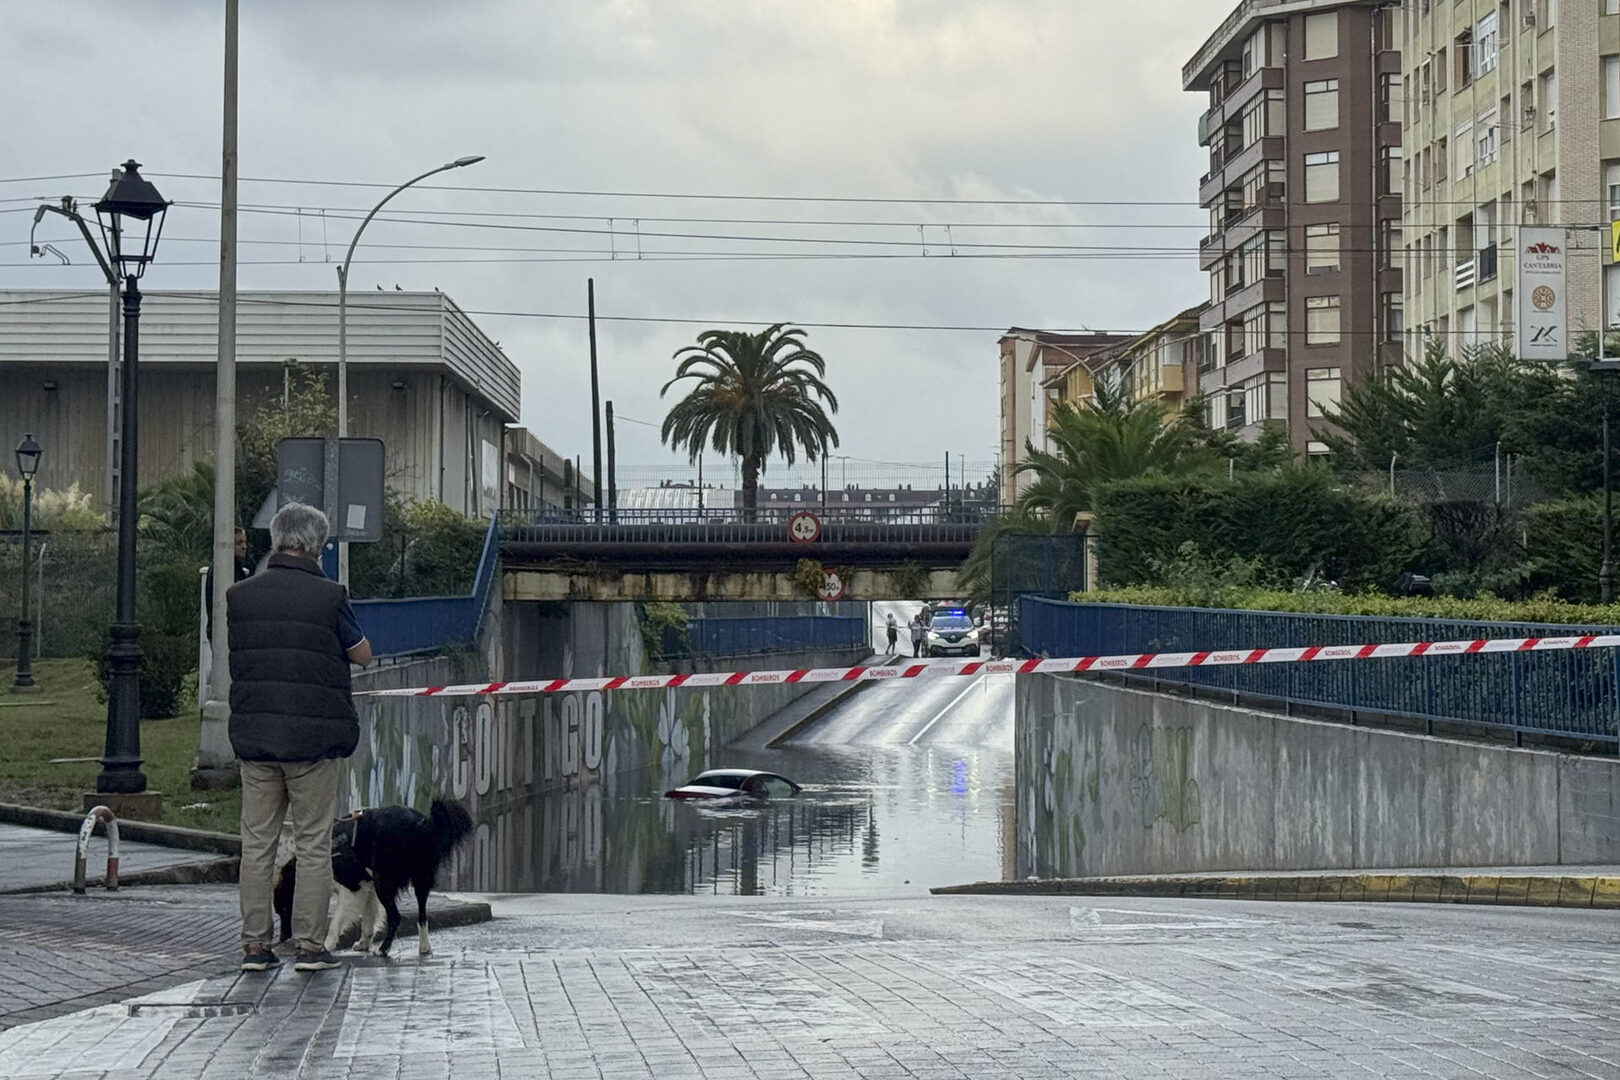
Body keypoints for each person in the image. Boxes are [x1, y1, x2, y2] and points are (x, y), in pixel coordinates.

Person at [228, 502, 372, 974]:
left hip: (256, 737)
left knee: (257, 843)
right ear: (318, 545)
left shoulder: (241, 596)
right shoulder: (330, 596)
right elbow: (362, 654)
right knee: (312, 843)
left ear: (276, 539)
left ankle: (255, 946)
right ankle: (310, 946)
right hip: (312, 741)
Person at [204, 527, 256, 639]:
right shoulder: (222, 570)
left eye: (245, 542)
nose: (244, 547)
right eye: (239, 543)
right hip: (224, 631)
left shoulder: (239, 568)